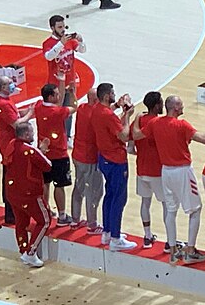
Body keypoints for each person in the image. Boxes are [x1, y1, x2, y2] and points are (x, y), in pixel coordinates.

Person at [134, 95, 205, 263]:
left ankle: (172, 251)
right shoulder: (182, 125)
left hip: (166, 172)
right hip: (183, 171)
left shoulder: (155, 123)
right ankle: (190, 250)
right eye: (182, 104)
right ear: (176, 108)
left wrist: (135, 118)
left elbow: (135, 135)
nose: (184, 105)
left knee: (171, 210)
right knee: (195, 209)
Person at [91, 82, 136, 251]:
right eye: (113, 93)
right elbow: (124, 136)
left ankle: (107, 233)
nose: (114, 95)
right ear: (106, 96)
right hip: (116, 160)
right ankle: (116, 239)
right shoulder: (108, 115)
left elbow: (112, 124)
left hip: (104, 159)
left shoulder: (97, 109)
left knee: (109, 196)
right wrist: (128, 116)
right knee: (119, 198)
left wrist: (120, 108)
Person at [3, 122, 52, 268]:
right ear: (25, 135)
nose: (33, 135)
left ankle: (23, 249)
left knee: (21, 223)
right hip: (29, 193)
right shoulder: (30, 150)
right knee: (45, 220)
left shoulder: (11, 145)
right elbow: (47, 165)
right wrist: (41, 151)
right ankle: (30, 253)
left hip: (12, 192)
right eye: (31, 133)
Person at [0, 76, 34, 224]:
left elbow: (14, 114)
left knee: (11, 178)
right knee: (12, 179)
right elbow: (16, 124)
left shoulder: (2, 100)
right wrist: (29, 114)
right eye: (9, 83)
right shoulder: (3, 103)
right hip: (9, 146)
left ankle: (13, 211)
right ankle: (11, 213)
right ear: (2, 87)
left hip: (8, 144)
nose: (12, 84)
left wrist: (23, 112)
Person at [35, 77, 77, 226]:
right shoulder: (59, 112)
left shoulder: (39, 106)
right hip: (59, 154)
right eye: (58, 94)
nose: (60, 96)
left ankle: (46, 211)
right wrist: (72, 93)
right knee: (59, 185)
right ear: (51, 97)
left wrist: (61, 82)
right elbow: (74, 107)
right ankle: (62, 215)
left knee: (45, 183)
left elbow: (57, 105)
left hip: (43, 153)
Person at [42, 15, 86, 141]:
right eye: (59, 27)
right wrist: (61, 44)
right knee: (55, 112)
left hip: (70, 82)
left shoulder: (70, 41)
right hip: (55, 84)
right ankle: (55, 136)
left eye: (64, 26)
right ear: (52, 28)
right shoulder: (48, 43)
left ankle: (66, 136)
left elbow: (82, 50)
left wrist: (81, 40)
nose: (63, 30)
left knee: (69, 110)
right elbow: (49, 57)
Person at [130, 92, 164, 248]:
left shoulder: (139, 121)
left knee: (145, 202)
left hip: (141, 169)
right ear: (157, 105)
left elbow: (130, 148)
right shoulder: (160, 122)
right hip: (158, 171)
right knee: (166, 205)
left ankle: (147, 236)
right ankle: (170, 241)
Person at [70, 87, 104, 233]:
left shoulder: (82, 109)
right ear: (96, 100)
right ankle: (92, 224)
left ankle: (75, 220)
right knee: (94, 191)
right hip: (90, 158)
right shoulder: (96, 114)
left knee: (79, 188)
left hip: (77, 155)